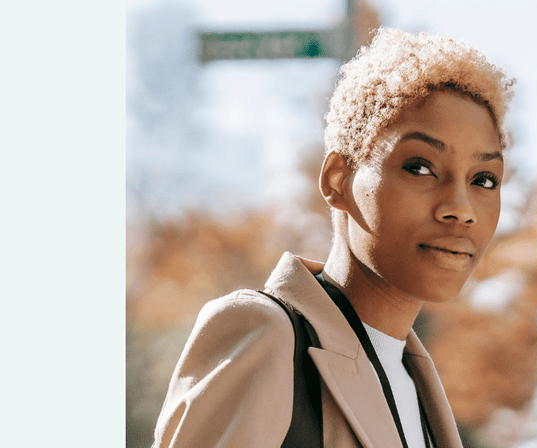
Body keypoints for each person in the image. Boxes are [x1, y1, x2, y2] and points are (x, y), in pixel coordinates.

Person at [152, 27, 514, 448]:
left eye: (484, 179)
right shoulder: (268, 335)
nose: (460, 208)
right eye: (420, 167)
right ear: (338, 179)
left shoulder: (417, 388)